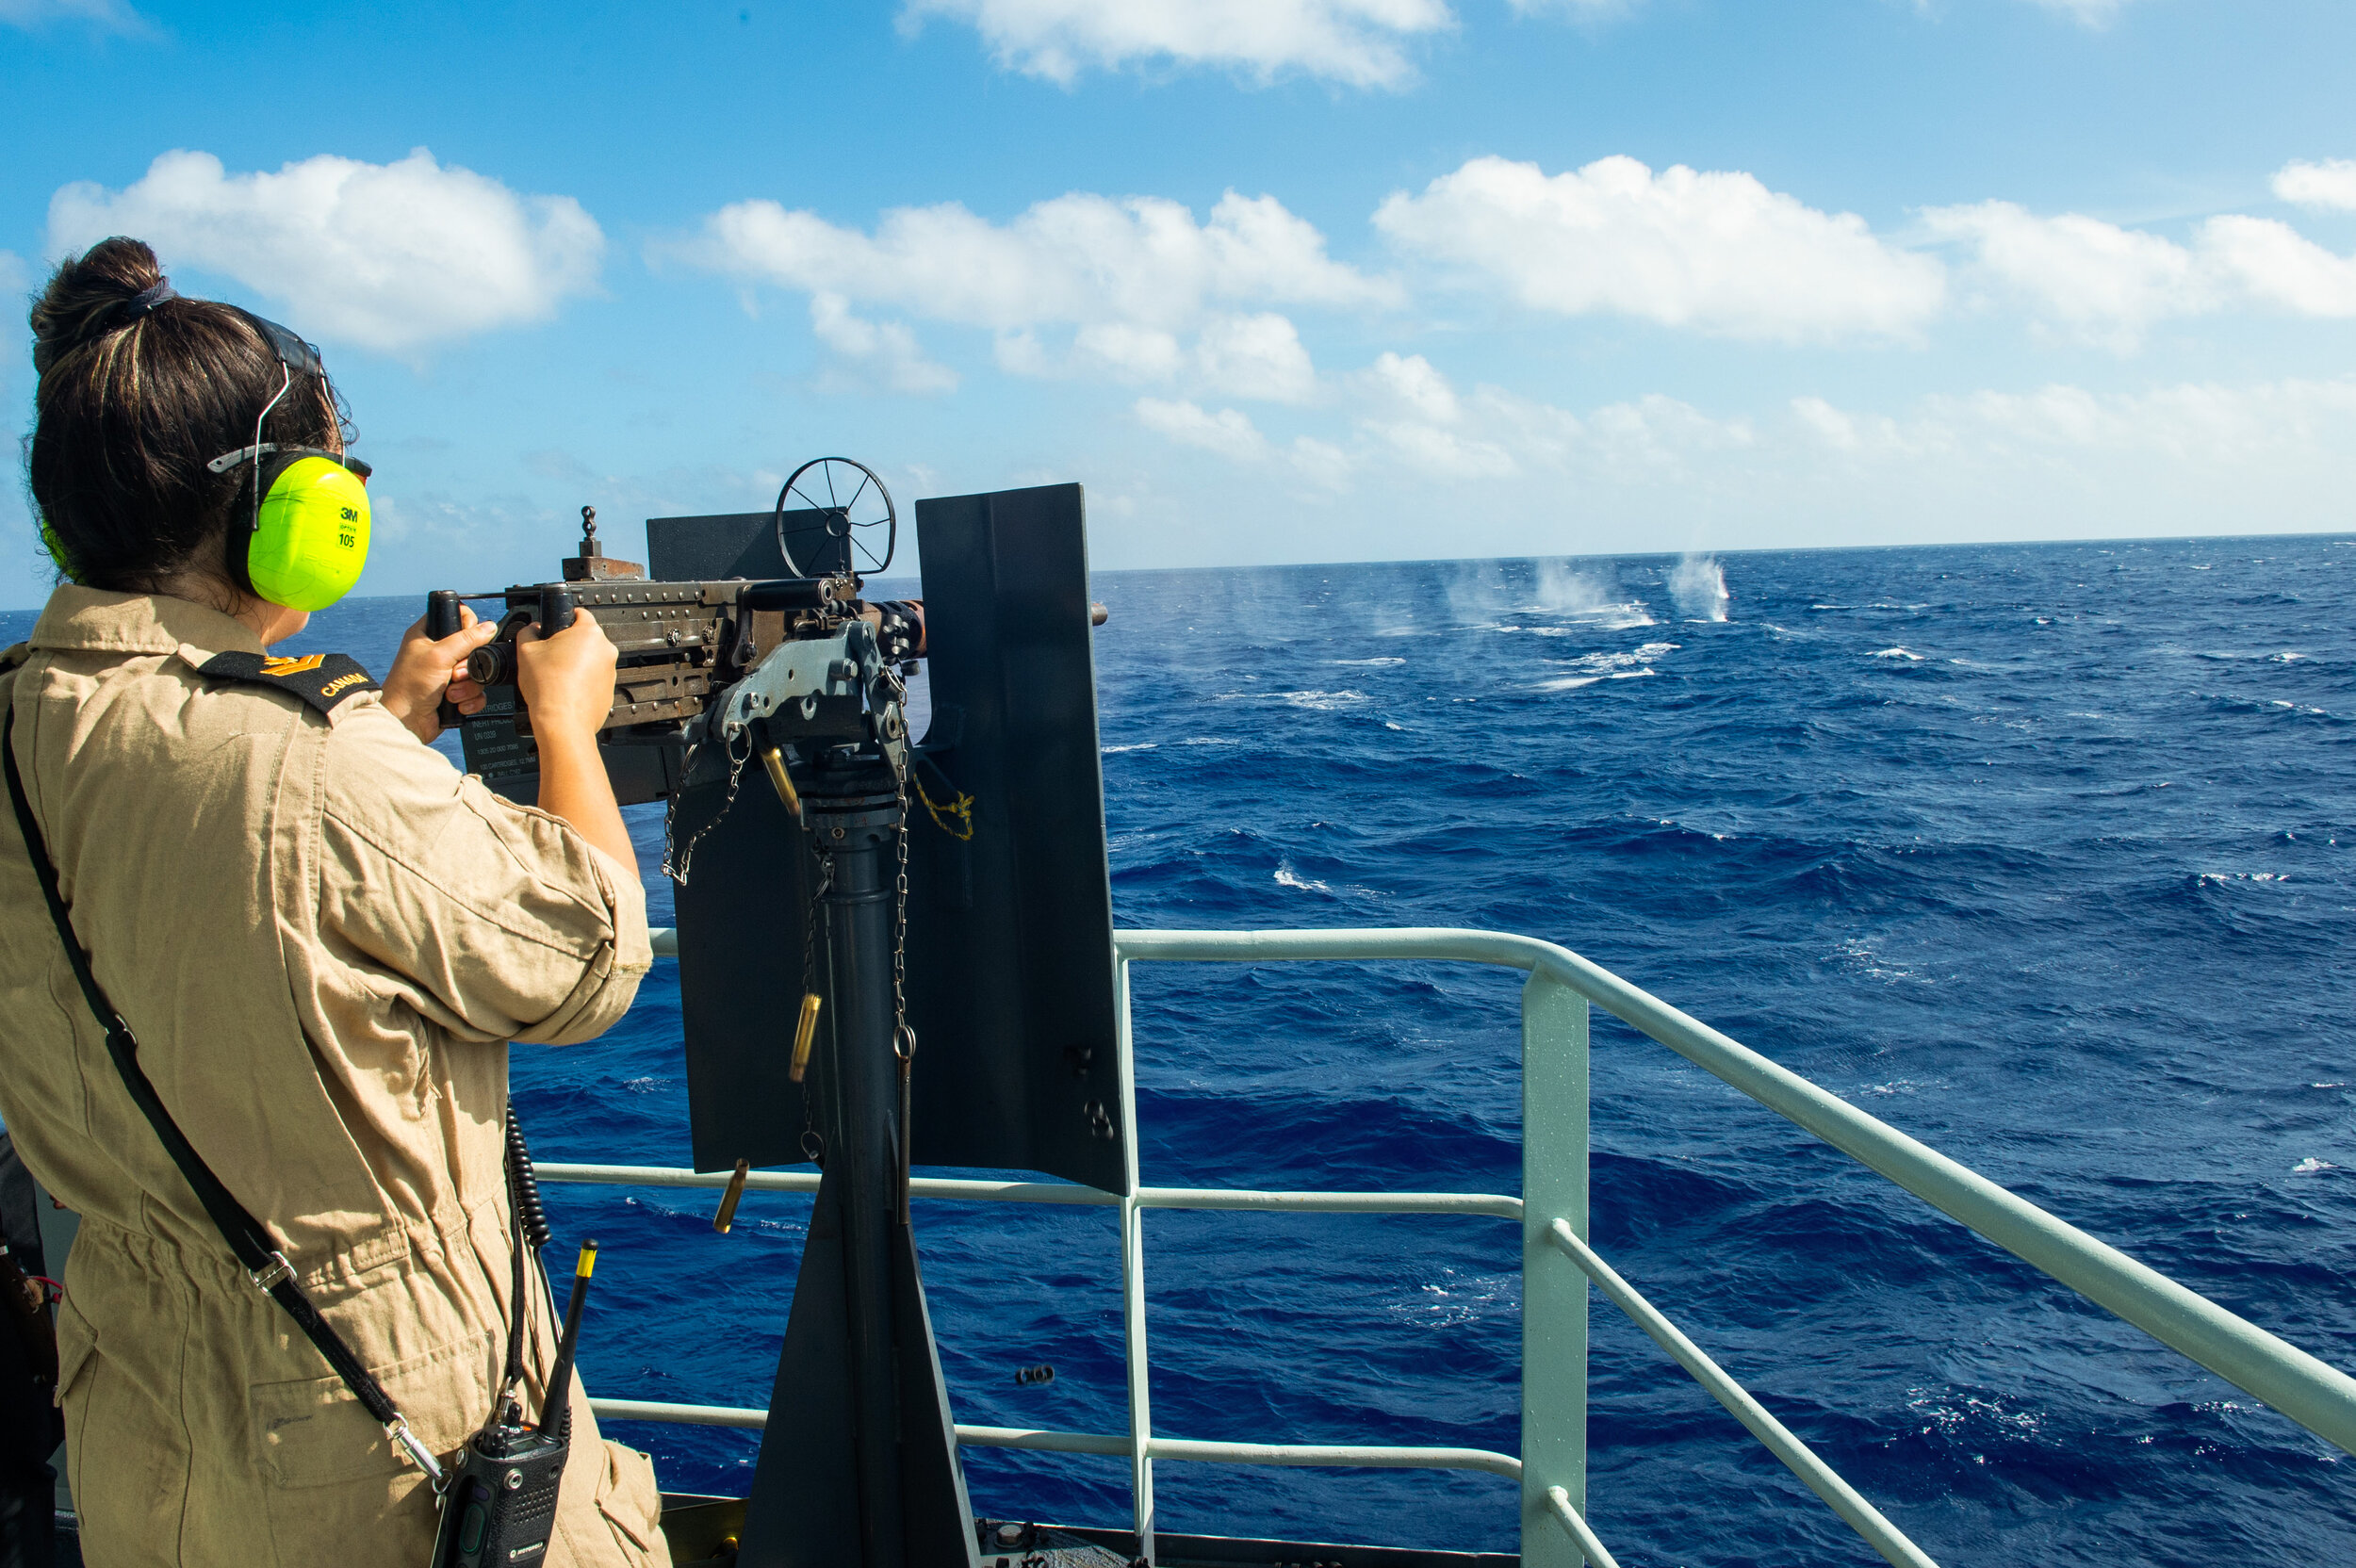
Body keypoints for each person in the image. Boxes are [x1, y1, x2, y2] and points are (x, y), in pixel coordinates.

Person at [0, 237, 670, 1567]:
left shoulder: (27, 721)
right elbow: (589, 958)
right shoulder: (312, 758)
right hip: (375, 1444)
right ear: (285, 513)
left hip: (143, 1422)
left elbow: (213, 881)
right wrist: (567, 724)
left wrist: (395, 725)